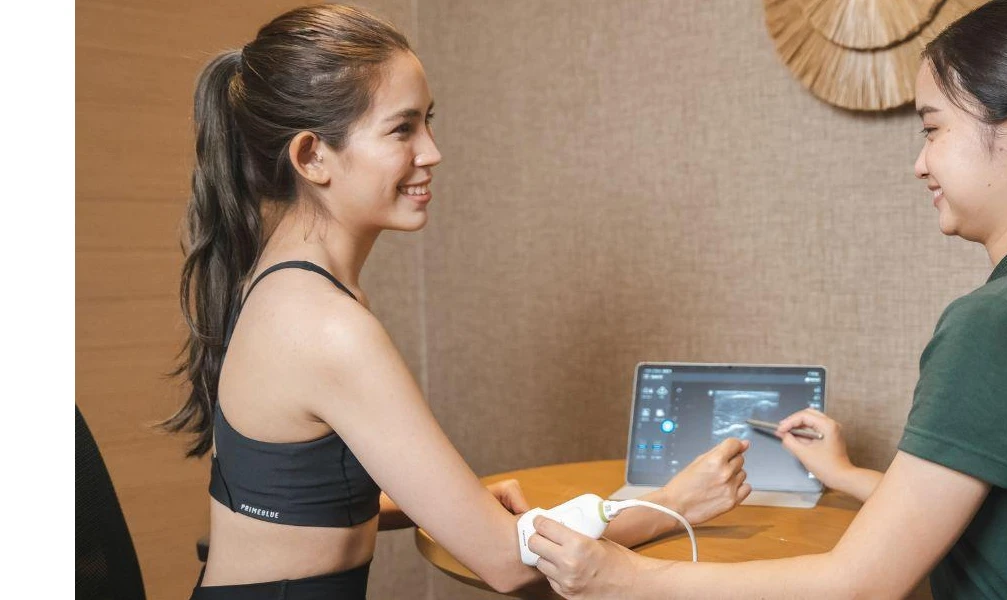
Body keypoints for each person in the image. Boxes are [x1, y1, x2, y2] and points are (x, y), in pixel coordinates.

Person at [528, 0, 1007, 598]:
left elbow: (859, 584)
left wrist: (627, 577)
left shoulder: (1004, 321)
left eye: (933, 130)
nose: (920, 163)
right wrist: (846, 475)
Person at [162, 5, 752, 599]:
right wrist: (675, 503)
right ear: (312, 156)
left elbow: (289, 494)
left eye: (429, 122)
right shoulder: (326, 327)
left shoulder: (275, 283)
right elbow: (507, 564)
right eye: (402, 128)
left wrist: (444, 506)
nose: (432, 152)